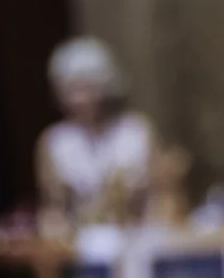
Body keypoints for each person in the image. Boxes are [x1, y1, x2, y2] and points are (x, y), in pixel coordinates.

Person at [36, 36, 162, 230]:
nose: (79, 99)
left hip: (136, 235)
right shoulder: (55, 141)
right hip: (82, 244)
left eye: (86, 88)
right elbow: (54, 207)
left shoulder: (136, 131)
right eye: (70, 90)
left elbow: (160, 195)